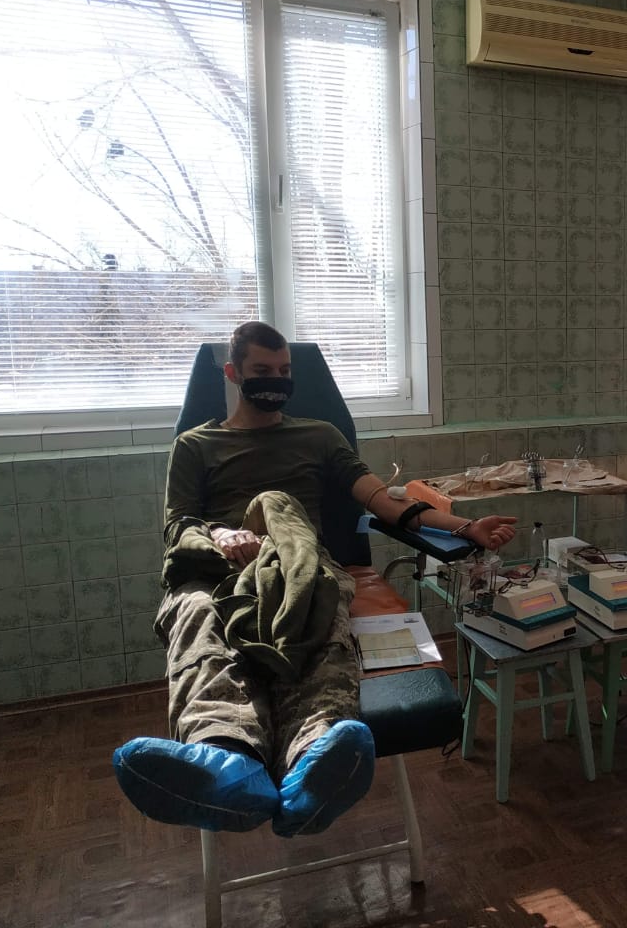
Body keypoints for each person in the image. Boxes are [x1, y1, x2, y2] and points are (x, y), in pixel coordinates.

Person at [113, 322, 517, 837]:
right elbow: (179, 525)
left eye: (284, 371)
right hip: (219, 567)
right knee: (196, 617)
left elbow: (383, 500)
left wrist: (464, 526)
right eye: (262, 370)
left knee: (322, 609)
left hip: (302, 561)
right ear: (234, 373)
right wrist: (221, 534)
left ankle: (315, 760)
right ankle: (224, 760)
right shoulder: (196, 444)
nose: (276, 380)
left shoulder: (319, 436)